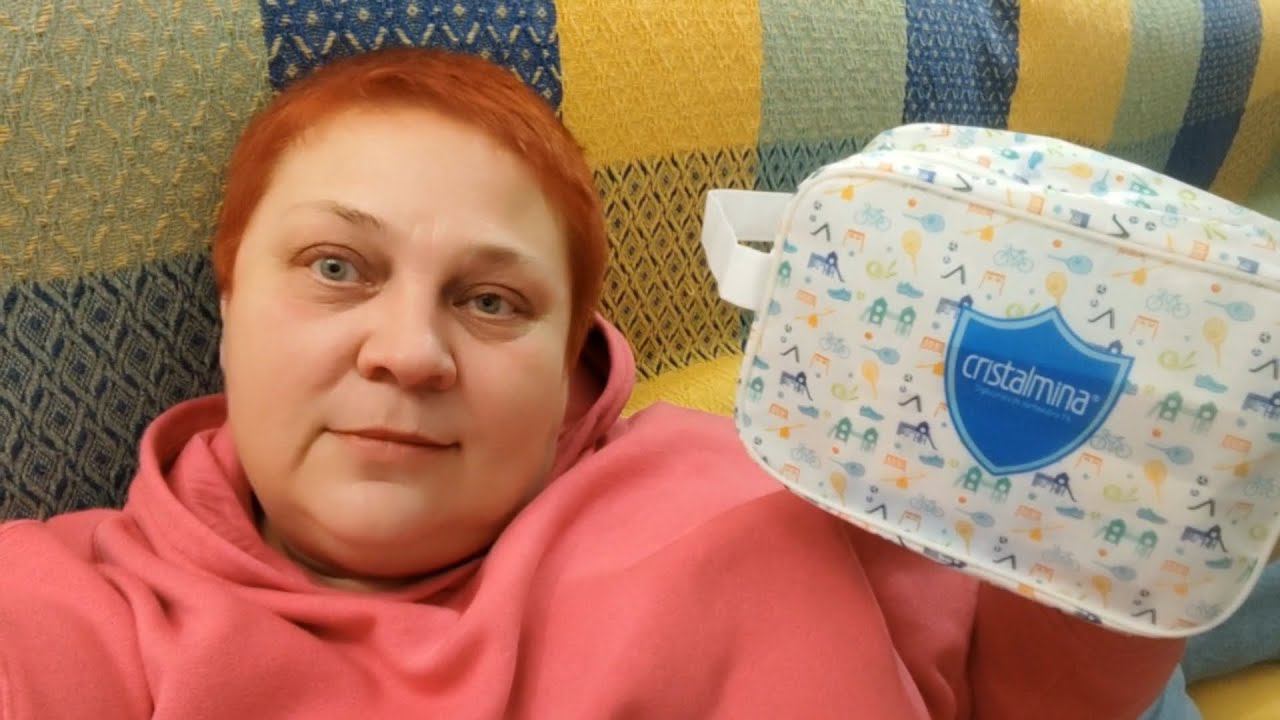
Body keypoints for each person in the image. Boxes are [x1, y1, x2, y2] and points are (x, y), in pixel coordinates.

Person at [0, 48, 1186, 719]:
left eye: (490, 301)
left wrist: (1143, 480)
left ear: (573, 352)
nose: (407, 352)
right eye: (335, 268)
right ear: (227, 303)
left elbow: (1013, 691)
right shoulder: (79, 614)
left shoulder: (748, 489)